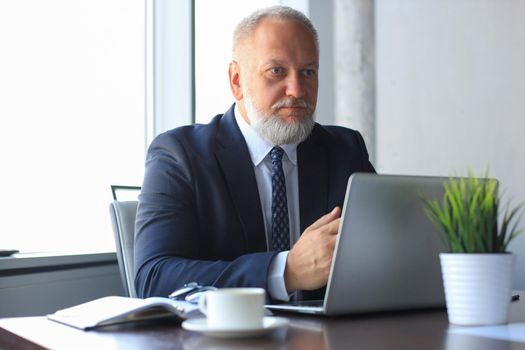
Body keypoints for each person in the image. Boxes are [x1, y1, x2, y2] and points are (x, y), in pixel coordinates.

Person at [134, 5, 375, 301]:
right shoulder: (179, 155)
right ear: (237, 80)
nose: (297, 90)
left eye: (308, 72)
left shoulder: (345, 150)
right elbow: (154, 277)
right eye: (276, 71)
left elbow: (390, 250)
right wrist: (285, 271)